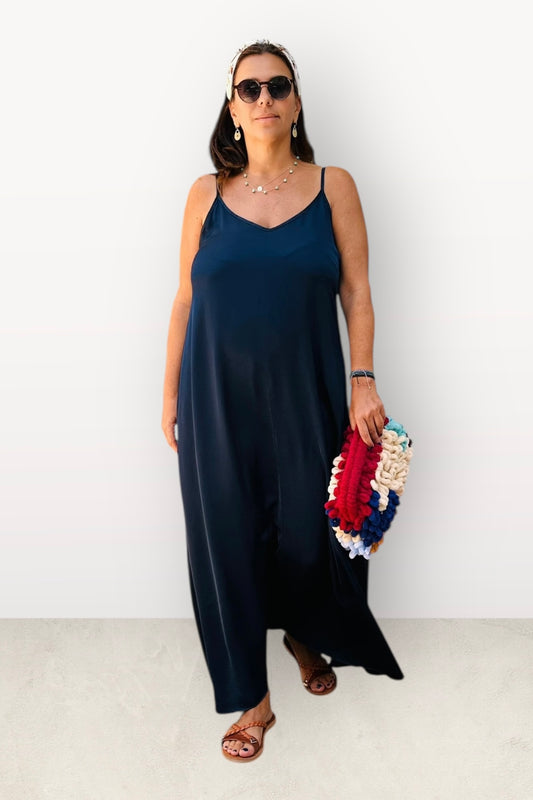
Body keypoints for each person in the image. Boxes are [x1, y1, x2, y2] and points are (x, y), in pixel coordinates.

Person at [161, 39, 404, 762]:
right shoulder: (204, 195)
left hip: (309, 390)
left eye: (277, 86)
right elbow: (184, 299)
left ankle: (305, 632)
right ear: (232, 108)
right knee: (226, 541)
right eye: (249, 89)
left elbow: (357, 292)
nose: (263, 98)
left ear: (295, 104)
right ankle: (252, 700)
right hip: (215, 397)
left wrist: (363, 377)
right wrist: (169, 392)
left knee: (308, 531)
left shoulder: (334, 185)